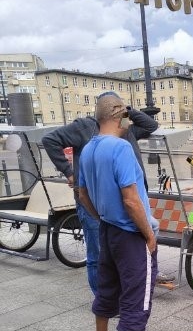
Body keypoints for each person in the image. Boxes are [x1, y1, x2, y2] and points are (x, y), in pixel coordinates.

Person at [42, 91, 174, 294]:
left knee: (127, 250)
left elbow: (151, 126)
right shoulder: (85, 127)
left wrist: (127, 111)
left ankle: (128, 291)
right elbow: (50, 140)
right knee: (98, 254)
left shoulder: (126, 128)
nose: (126, 117)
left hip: (128, 203)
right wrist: (69, 173)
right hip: (96, 203)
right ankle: (103, 298)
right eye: (118, 109)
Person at [78, 93, 169, 331]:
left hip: (107, 230)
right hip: (130, 234)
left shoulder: (88, 149)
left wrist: (101, 216)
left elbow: (82, 194)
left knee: (108, 285)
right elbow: (131, 200)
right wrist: (148, 235)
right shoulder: (120, 148)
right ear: (120, 117)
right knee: (136, 292)